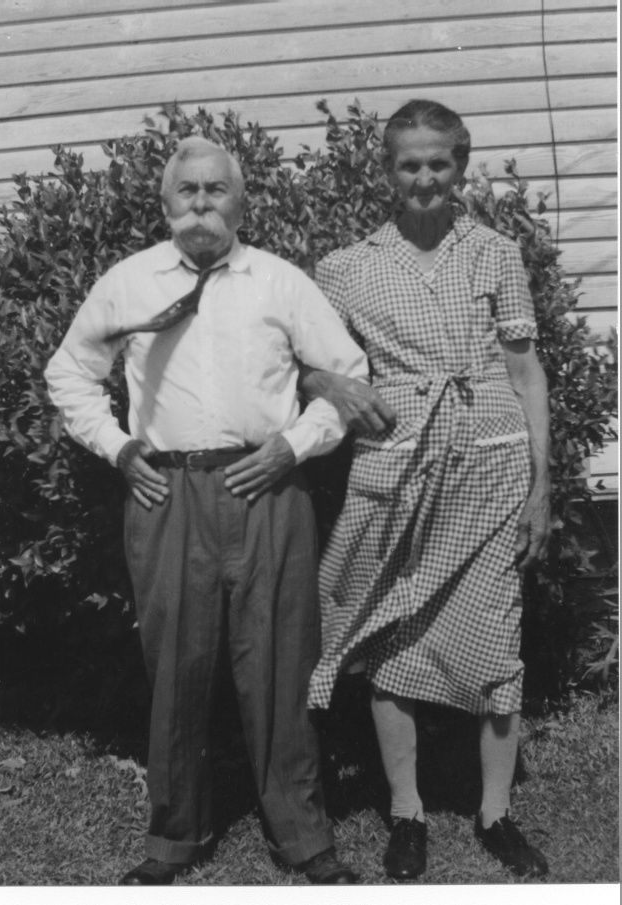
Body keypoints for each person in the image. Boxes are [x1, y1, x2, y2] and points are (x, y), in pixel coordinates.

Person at [45, 136, 368, 885]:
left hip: (269, 488)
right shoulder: (129, 282)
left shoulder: (279, 281)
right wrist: (118, 448)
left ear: (240, 200)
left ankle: (303, 835)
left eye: (215, 190)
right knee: (177, 667)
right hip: (168, 492)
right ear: (165, 204)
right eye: (186, 191)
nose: (201, 204)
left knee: (282, 662)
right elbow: (70, 373)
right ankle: (173, 838)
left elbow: (348, 375)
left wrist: (295, 445)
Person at [303, 100, 552, 881]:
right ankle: (407, 811)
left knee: (496, 638)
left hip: (491, 466)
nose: (424, 177)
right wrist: (333, 387)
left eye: (438, 162)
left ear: (461, 165)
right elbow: (300, 361)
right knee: (393, 634)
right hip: (398, 466)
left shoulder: (496, 252)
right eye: (409, 164)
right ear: (386, 171)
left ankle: (495, 812)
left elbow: (524, 369)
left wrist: (542, 482)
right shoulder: (345, 267)